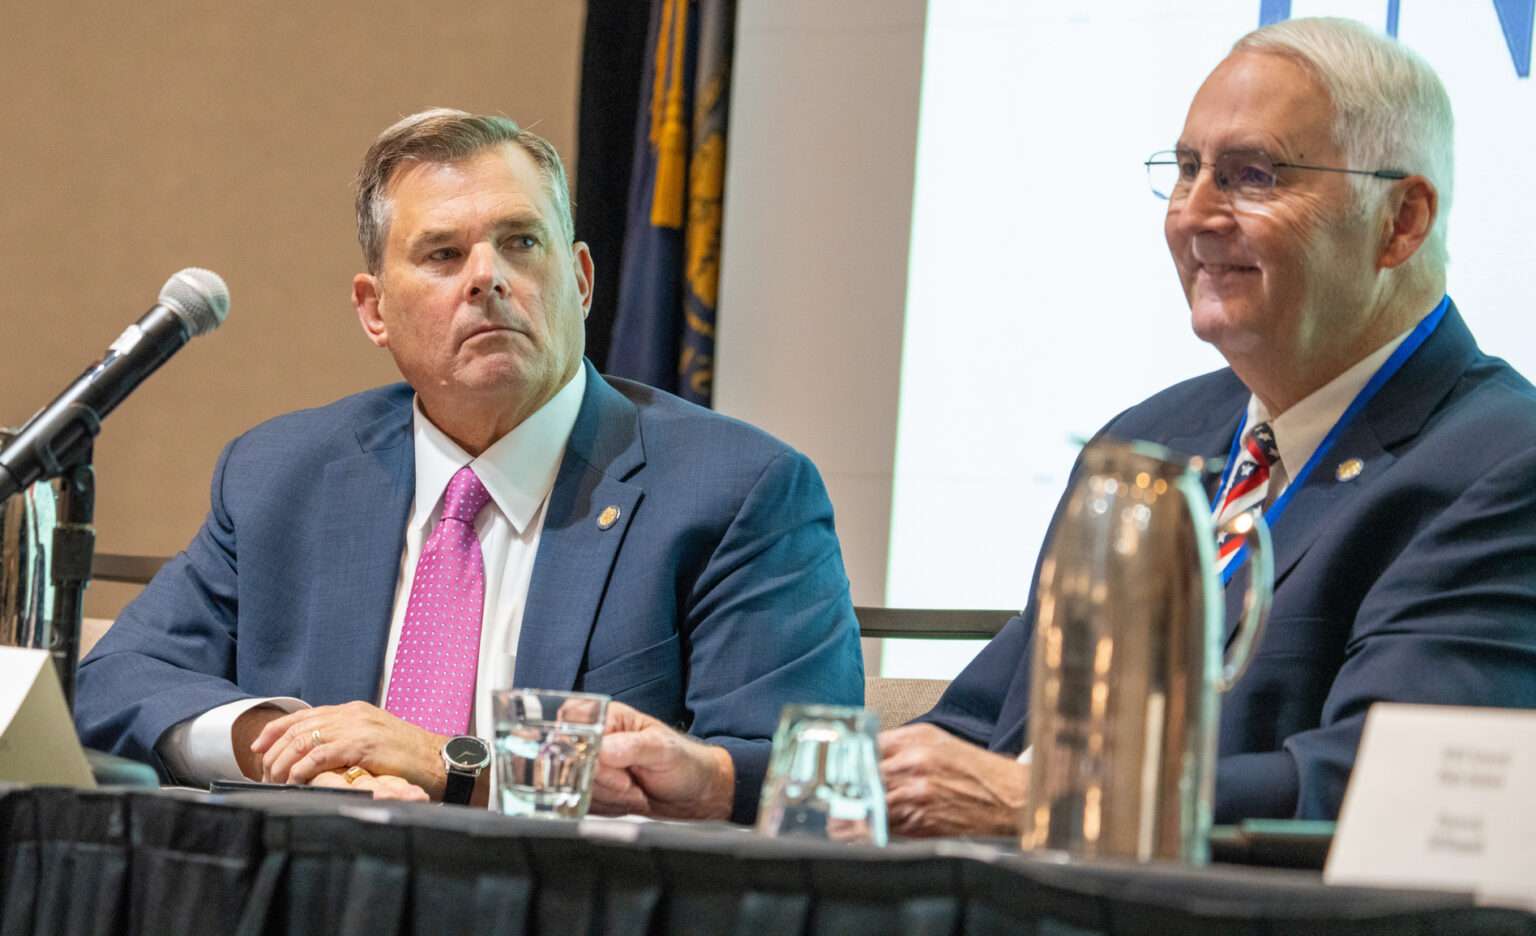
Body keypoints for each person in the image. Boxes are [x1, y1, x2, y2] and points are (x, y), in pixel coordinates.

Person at [75, 109, 862, 822]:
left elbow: (792, 785)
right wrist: (281, 746)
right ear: (374, 309)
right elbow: (116, 681)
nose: (487, 276)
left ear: (580, 281)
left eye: (521, 242)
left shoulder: (737, 492)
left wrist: (449, 763)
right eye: (444, 254)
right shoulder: (283, 474)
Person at [881, 17, 1536, 836]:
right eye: (1186, 170)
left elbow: (1383, 789)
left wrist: (1052, 804)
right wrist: (740, 777)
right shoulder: (1147, 439)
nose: (1193, 214)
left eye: (1251, 175)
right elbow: (982, 730)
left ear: (1400, 221)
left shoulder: (1504, 464)